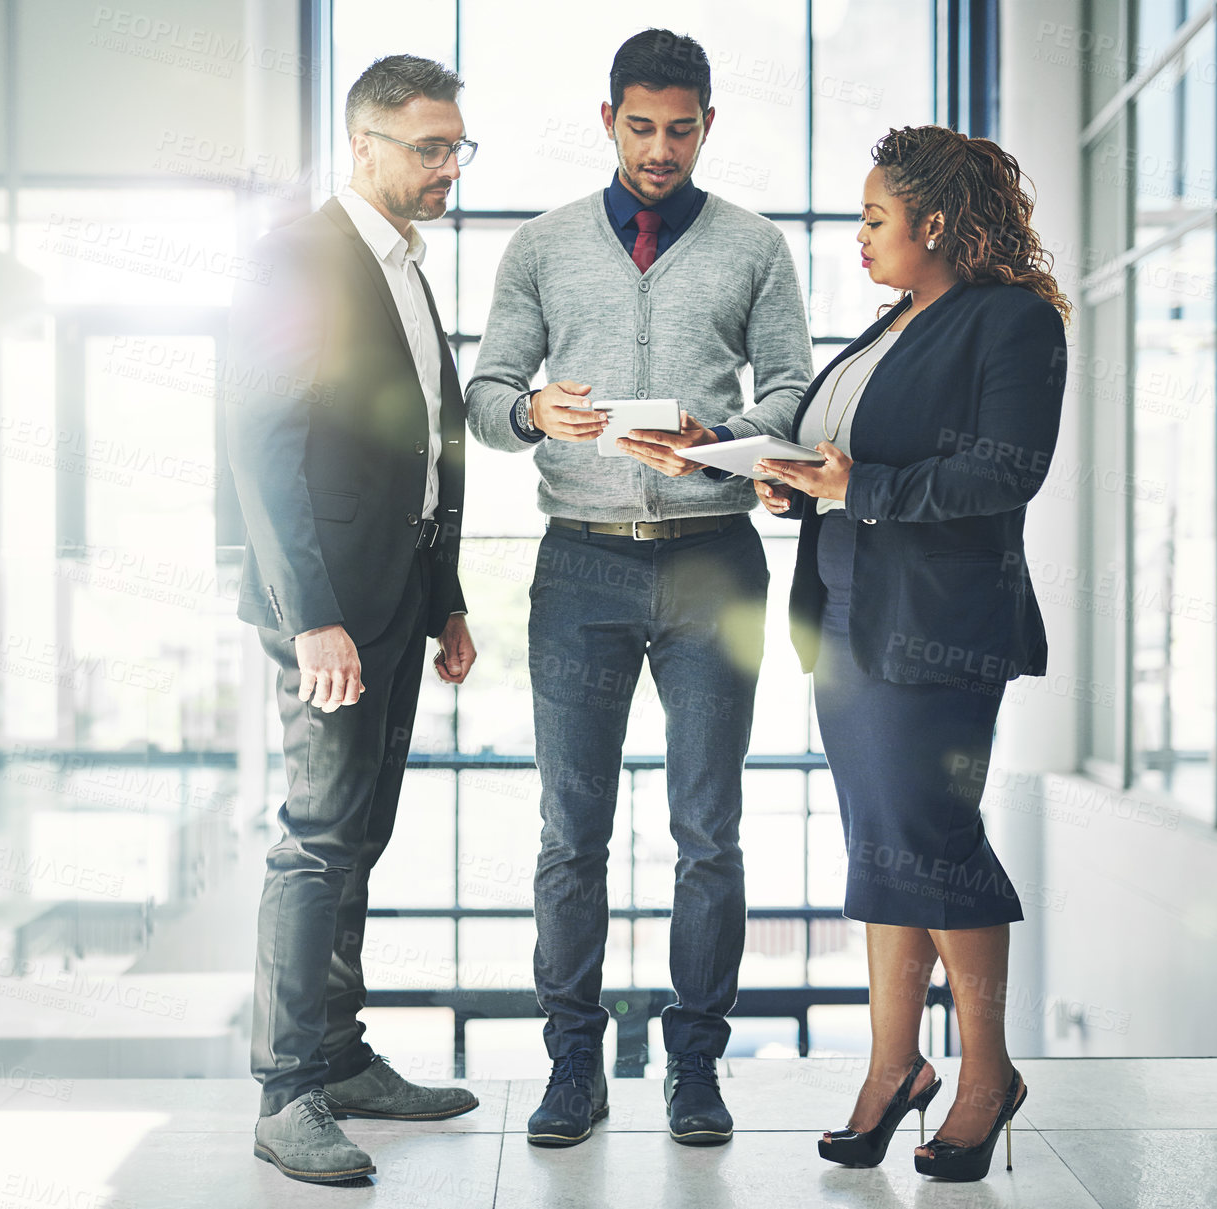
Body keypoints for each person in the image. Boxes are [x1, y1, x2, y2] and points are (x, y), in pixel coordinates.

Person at [466, 28, 813, 1149]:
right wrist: (534, 415)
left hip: (716, 560)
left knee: (707, 829)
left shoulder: (756, 247)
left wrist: (728, 438)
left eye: (680, 128)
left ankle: (695, 1069)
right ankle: (574, 1067)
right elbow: (487, 394)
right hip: (581, 562)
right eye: (640, 126)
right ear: (607, 119)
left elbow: (796, 395)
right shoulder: (544, 247)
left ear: (708, 123)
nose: (660, 149)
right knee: (573, 830)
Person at [752, 124, 1070, 1183]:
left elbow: (1004, 472)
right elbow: (852, 461)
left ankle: (987, 1075)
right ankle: (896, 1068)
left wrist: (859, 490)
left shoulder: (1013, 323)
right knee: (882, 847)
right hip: (847, 611)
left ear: (937, 222)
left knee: (933, 842)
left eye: (875, 218)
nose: (860, 237)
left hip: (937, 628)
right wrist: (784, 478)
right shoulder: (900, 318)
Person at [225, 54, 482, 1186]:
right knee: (319, 840)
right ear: (363, 146)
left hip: (394, 601)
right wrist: (313, 618)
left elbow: (421, 445)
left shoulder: (401, 266)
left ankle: (337, 1053)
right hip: (328, 613)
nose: (447, 167)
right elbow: (263, 447)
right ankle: (288, 1093)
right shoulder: (303, 256)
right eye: (428, 147)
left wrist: (448, 598)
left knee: (360, 837)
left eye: (455, 146)